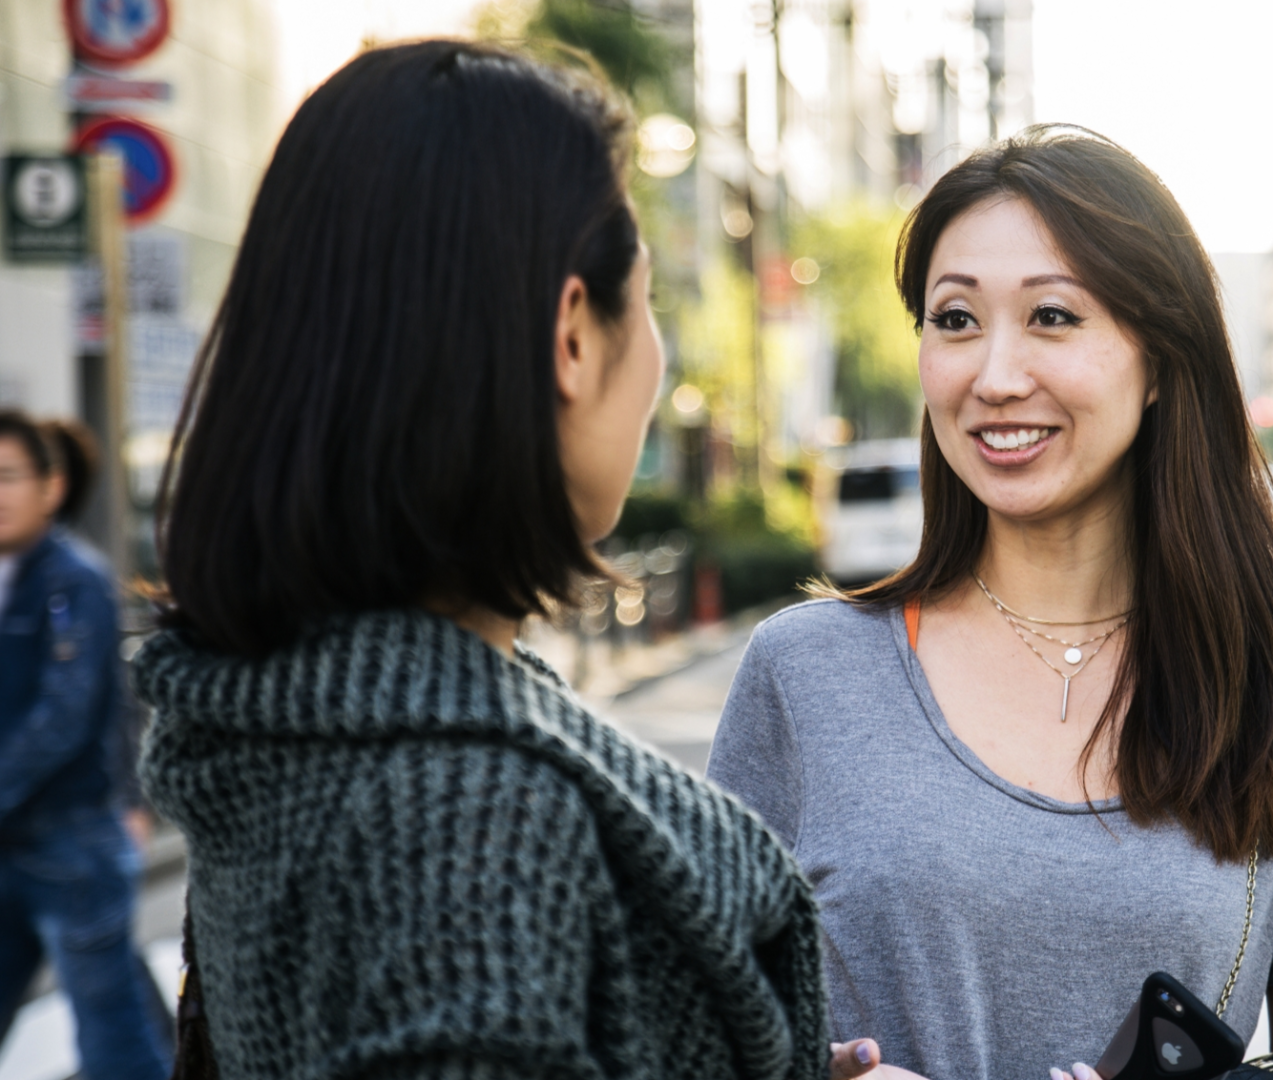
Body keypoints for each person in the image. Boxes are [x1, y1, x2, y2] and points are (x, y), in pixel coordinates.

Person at [134, 40, 885, 1080]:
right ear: (571, 335)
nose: (658, 359)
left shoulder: (282, 720)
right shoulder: (467, 827)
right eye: (650, 299)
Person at [706, 126, 1273, 1080]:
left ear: (1163, 361)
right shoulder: (804, 673)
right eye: (954, 320)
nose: (996, 377)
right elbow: (701, 1022)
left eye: (1052, 316)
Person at [0, 410, 171, 1080]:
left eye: (9, 476)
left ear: (53, 485)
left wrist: (132, 799)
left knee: (114, 1040)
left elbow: (67, 719)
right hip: (14, 842)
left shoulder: (75, 580)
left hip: (71, 844)